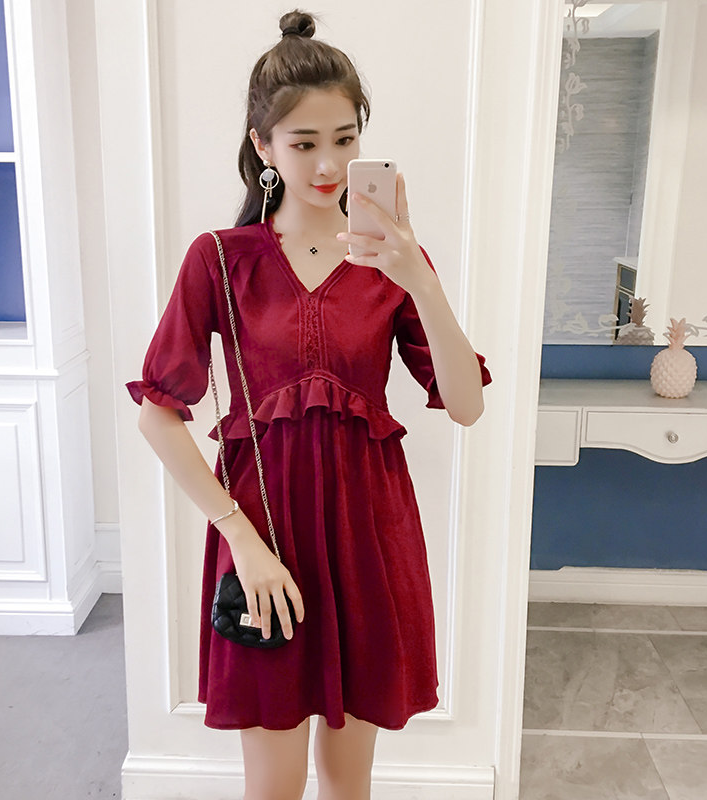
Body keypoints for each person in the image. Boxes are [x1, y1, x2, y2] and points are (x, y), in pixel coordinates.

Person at [127, 9, 492, 800]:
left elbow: (465, 404)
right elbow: (157, 410)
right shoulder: (220, 260)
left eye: (345, 139)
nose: (329, 164)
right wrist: (239, 538)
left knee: (350, 781)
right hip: (264, 536)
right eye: (303, 143)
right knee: (275, 783)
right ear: (263, 147)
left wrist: (419, 279)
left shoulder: (394, 262)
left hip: (370, 537)